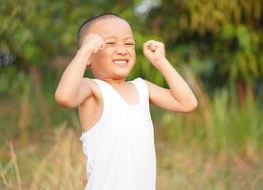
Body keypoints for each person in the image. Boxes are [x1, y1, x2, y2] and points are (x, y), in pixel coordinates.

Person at [54, 12, 198, 190]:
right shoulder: (92, 90)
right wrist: (84, 52)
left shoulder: (142, 88)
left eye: (129, 43)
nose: (122, 50)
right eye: (110, 43)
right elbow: (64, 97)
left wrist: (161, 62)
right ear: (91, 55)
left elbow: (187, 103)